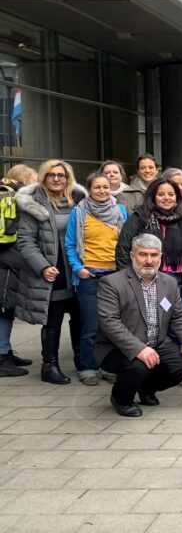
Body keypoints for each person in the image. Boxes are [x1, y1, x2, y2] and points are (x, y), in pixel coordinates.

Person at [95, 234, 182, 417]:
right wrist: (139, 349)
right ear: (132, 256)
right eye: (143, 254)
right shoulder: (112, 283)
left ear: (161, 256)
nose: (149, 260)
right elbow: (109, 322)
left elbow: (180, 317)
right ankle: (121, 399)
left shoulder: (169, 282)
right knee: (138, 365)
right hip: (116, 348)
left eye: (154, 255)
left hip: (157, 343)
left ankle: (146, 388)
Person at [15, 159, 84, 385]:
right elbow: (25, 242)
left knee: (81, 317)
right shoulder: (33, 204)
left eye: (61, 175)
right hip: (52, 270)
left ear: (68, 178)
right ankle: (49, 365)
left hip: (77, 268)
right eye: (51, 175)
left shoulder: (79, 200)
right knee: (53, 319)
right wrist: (43, 266)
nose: (56, 179)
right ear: (43, 178)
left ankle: (83, 361)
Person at [65, 171, 128, 386]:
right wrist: (78, 268)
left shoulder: (120, 210)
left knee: (112, 326)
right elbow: (71, 244)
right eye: (97, 188)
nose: (102, 191)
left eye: (105, 187)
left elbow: (126, 243)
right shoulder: (79, 212)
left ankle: (108, 366)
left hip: (116, 275)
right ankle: (87, 367)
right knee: (91, 326)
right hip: (89, 275)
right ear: (89, 190)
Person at [117, 178, 182, 309]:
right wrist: (130, 282)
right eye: (161, 194)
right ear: (153, 196)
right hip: (146, 281)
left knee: (179, 325)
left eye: (171, 194)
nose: (167, 198)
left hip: (179, 283)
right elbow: (123, 250)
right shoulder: (140, 218)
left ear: (177, 197)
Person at [0, 165, 37, 377]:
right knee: (4, 309)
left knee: (7, 308)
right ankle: (2, 356)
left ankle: (5, 350)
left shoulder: (4, 195)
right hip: (9, 259)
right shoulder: (18, 197)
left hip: (5, 258)